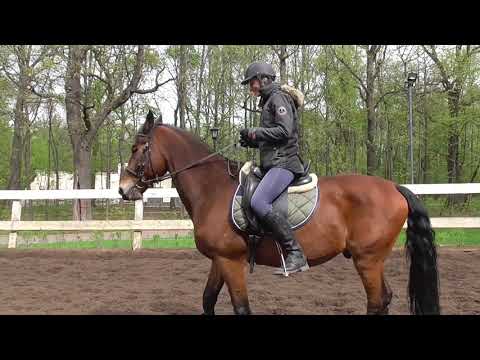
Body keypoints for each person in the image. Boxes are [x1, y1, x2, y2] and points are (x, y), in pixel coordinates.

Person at [239, 62, 309, 275]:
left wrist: (256, 133)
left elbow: (284, 131)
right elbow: (272, 138)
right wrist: (251, 140)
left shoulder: (278, 98)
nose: (250, 87)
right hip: (273, 163)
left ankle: (295, 252)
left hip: (285, 163)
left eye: (251, 82)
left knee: (259, 201)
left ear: (263, 79)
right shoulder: (269, 100)